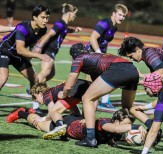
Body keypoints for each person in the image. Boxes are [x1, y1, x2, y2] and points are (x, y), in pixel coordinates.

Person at [57, 43, 139, 147]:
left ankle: (90, 138)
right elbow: (95, 96)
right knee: (127, 107)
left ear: (72, 56)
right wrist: (86, 118)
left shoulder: (78, 58)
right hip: (132, 69)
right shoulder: (92, 60)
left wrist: (63, 94)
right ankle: (150, 127)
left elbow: (68, 86)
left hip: (119, 70)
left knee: (86, 98)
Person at [0, 4, 51, 110]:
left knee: (35, 79)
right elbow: (20, 49)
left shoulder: (43, 30)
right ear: (35, 17)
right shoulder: (23, 28)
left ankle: (35, 108)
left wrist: (30, 57)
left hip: (17, 56)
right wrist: (39, 55)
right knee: (3, 78)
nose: (45, 21)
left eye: (47, 18)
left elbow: (31, 43)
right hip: (4, 50)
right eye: (43, 17)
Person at [6, 108, 146, 146]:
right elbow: (115, 129)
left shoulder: (117, 131)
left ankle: (35, 112)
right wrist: (137, 125)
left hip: (75, 122)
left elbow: (117, 133)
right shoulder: (105, 123)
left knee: (41, 119)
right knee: (37, 124)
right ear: (116, 120)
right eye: (126, 124)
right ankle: (22, 113)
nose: (128, 127)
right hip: (68, 125)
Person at [85, 4, 128, 110]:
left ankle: (100, 101)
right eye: (120, 15)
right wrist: (99, 53)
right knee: (97, 76)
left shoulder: (114, 27)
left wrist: (105, 54)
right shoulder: (104, 23)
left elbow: (104, 42)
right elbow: (93, 38)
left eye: (123, 16)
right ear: (113, 13)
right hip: (91, 53)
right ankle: (95, 101)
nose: (122, 18)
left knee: (99, 77)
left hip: (100, 54)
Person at [33, 3, 82, 83]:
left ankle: (34, 85)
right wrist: (39, 46)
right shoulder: (60, 24)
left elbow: (66, 29)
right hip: (48, 50)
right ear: (69, 14)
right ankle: (33, 87)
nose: (75, 16)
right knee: (45, 72)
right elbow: (49, 34)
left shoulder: (64, 24)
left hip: (52, 51)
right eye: (74, 14)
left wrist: (74, 30)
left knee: (51, 74)